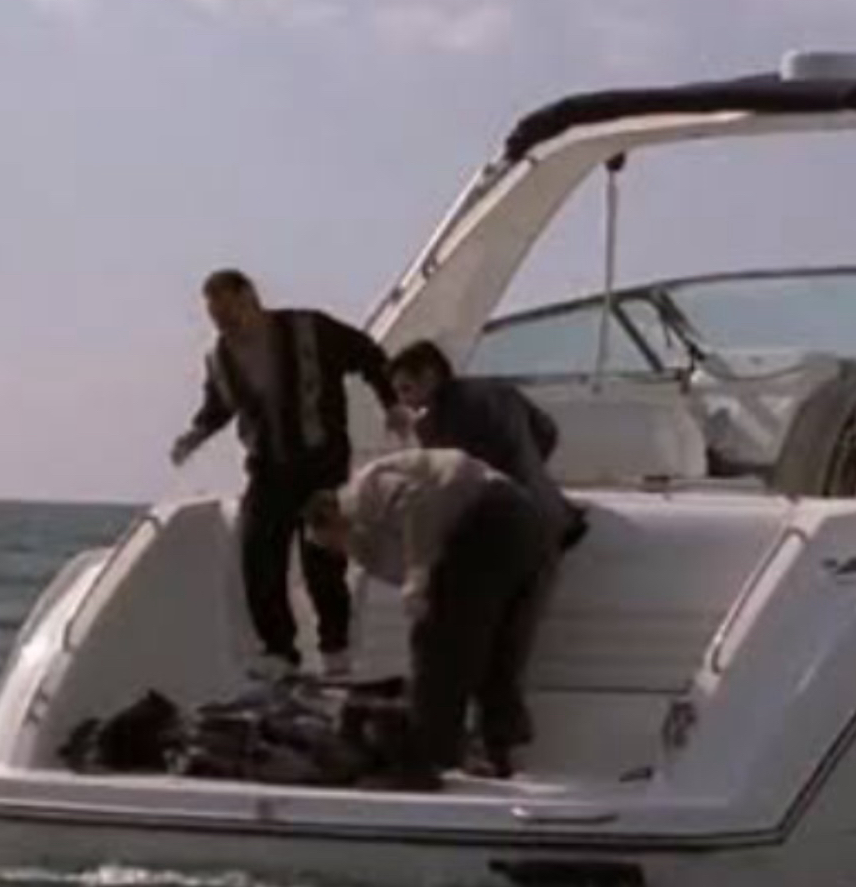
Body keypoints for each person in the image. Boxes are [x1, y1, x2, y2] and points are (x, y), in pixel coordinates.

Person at [171, 269, 405, 677]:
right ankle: (279, 651)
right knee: (258, 555)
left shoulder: (308, 328)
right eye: (216, 317)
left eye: (228, 312)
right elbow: (218, 407)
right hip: (268, 468)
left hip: (321, 461)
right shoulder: (220, 357)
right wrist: (195, 434)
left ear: (250, 297)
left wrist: (392, 403)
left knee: (321, 560)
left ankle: (336, 650)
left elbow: (368, 354)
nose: (224, 324)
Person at [304, 449, 555, 785]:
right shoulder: (369, 539)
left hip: (483, 516)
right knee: (493, 648)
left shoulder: (363, 491)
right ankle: (498, 748)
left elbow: (417, 501)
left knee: (438, 645)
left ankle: (426, 760)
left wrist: (417, 575)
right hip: (524, 522)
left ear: (330, 517)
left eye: (329, 543)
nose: (337, 552)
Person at [387, 339, 586, 546]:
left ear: (429, 377)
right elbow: (547, 432)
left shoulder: (440, 420)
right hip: (558, 517)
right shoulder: (492, 390)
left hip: (521, 533)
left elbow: (448, 480)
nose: (403, 400)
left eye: (406, 389)